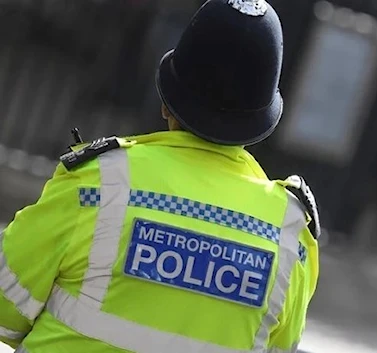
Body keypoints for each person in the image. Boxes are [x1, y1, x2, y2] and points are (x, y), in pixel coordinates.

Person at [0, 0, 320, 352]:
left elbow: (6, 311)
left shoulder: (98, 185)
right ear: (261, 124)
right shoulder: (290, 234)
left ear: (167, 102)